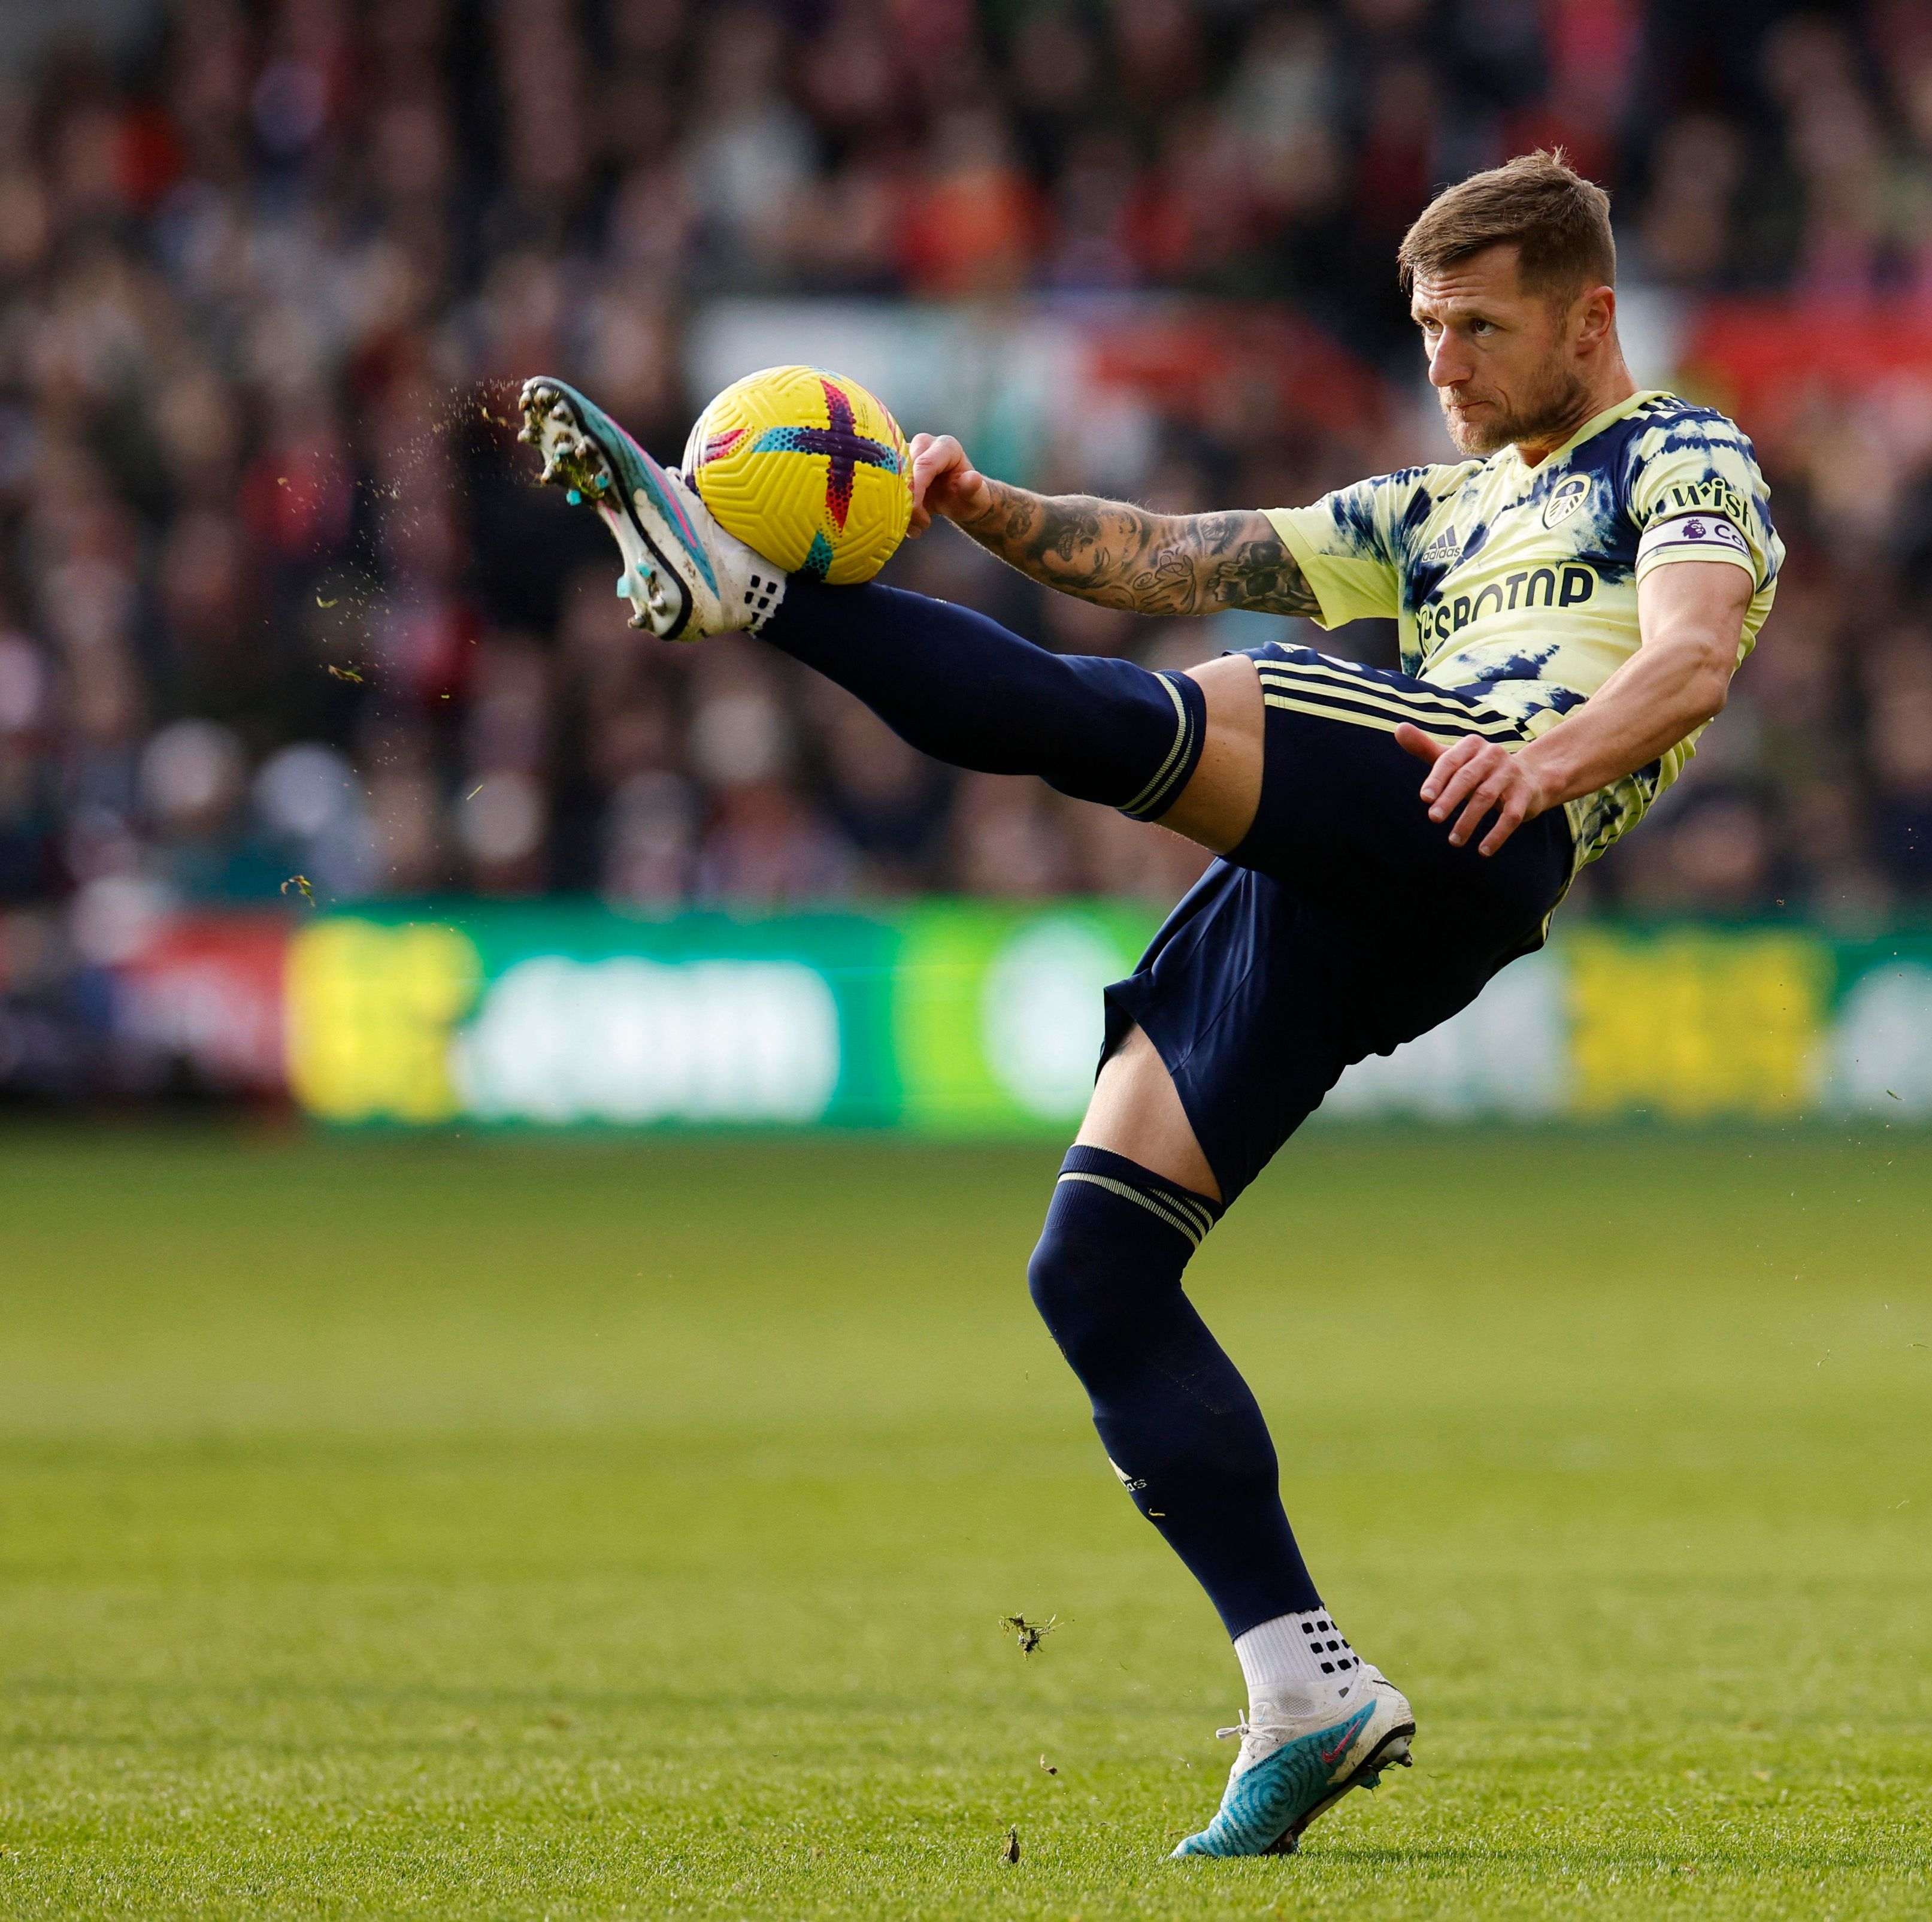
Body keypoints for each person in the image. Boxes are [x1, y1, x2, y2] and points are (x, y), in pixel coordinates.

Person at [516, 150, 1779, 1856]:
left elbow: (1690, 656)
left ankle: (751, 594)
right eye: (1425, 327)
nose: (1443, 362)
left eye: (1479, 328)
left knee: (1145, 721)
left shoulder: (1678, 452)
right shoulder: (1435, 508)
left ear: (1588, 317)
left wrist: (1545, 761)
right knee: (1096, 1268)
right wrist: (989, 510)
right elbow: (1180, 553)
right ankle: (1303, 1686)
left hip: (1468, 797)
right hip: (1367, 881)